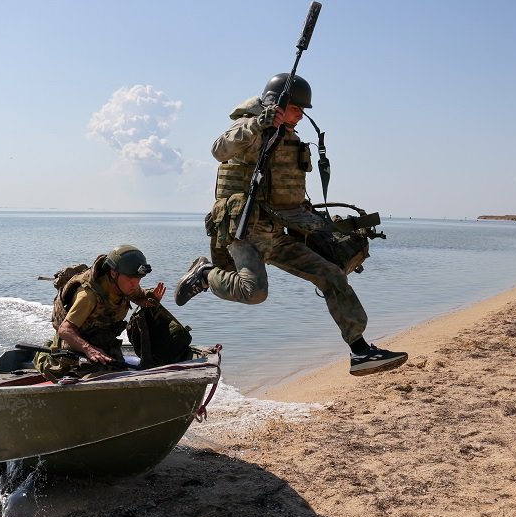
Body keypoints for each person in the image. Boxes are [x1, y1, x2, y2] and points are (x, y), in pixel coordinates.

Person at [174, 73, 407, 376]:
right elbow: (219, 148)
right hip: (245, 233)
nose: (301, 115)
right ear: (278, 104)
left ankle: (361, 351)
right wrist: (259, 122)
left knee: (332, 275)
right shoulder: (254, 128)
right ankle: (205, 274)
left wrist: (324, 225)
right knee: (254, 292)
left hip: (278, 233)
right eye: (297, 109)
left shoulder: (288, 137)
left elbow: (288, 194)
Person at [35, 245, 166, 380]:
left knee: (120, 371)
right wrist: (88, 349)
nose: (135, 285)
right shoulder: (88, 296)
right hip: (76, 344)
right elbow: (65, 330)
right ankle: (43, 353)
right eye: (131, 280)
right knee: (84, 376)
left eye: (138, 280)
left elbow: (138, 295)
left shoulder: (125, 283)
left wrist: (150, 298)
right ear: (113, 273)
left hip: (102, 339)